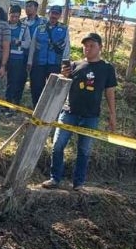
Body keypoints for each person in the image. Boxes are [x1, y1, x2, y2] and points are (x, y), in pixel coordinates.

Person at [42, 33, 117, 191]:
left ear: (100, 47)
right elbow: (61, 85)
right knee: (57, 145)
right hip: (69, 112)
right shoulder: (75, 65)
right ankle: (55, 178)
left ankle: (79, 184)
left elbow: (110, 92)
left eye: (92, 46)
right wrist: (64, 75)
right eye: (85, 46)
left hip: (91, 116)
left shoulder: (107, 68)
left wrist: (112, 114)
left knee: (84, 151)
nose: (87, 49)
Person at [27, 5, 70, 107]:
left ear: (59, 15)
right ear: (49, 13)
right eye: (52, 13)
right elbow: (32, 45)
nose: (54, 16)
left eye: (56, 14)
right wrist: (29, 61)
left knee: (53, 88)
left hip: (55, 64)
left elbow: (67, 48)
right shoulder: (39, 28)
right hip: (39, 63)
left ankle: (50, 109)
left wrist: (64, 63)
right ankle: (36, 108)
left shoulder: (64, 29)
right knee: (36, 87)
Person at [5, 5, 31, 110]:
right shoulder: (4, 25)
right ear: (9, 14)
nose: (14, 19)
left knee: (13, 82)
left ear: (20, 16)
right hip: (3, 57)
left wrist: (19, 42)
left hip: (17, 59)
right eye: (12, 16)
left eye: (16, 16)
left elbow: (28, 43)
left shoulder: (24, 27)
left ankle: (9, 103)